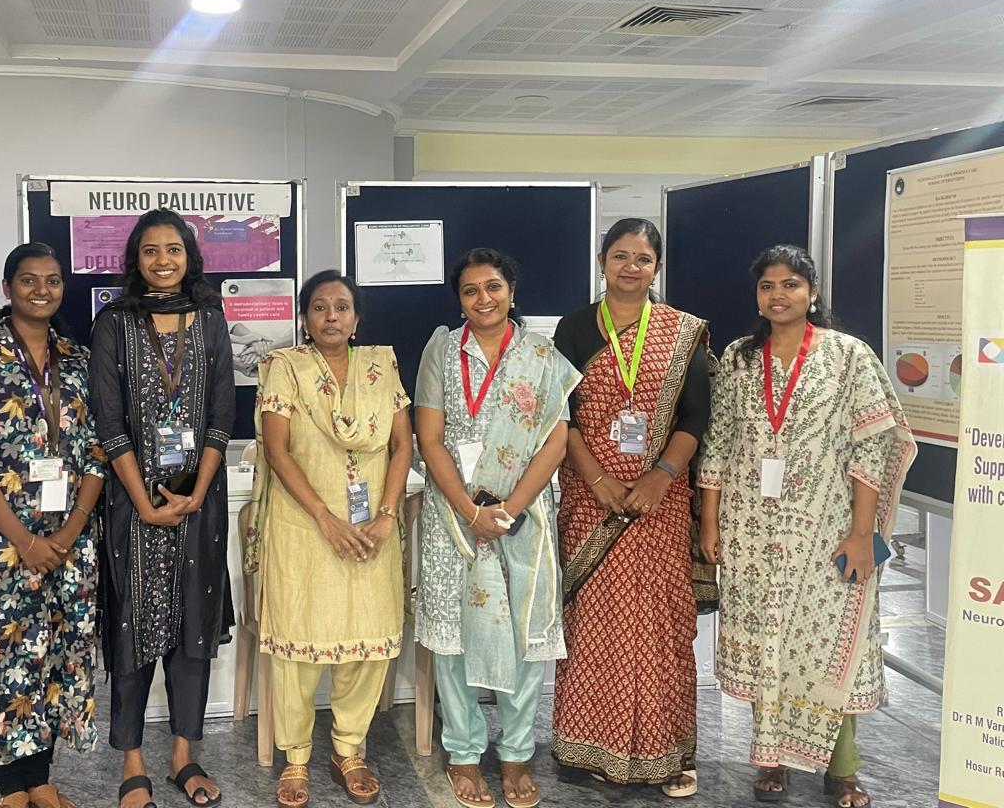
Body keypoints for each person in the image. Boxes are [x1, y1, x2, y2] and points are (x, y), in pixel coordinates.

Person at [697, 245, 914, 808]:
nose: (778, 295)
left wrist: (862, 533)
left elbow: (872, 445)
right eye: (767, 285)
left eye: (791, 284)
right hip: (750, 531)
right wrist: (712, 524)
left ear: (813, 292)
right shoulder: (741, 360)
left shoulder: (848, 357)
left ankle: (842, 769)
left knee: (827, 647)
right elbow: (719, 446)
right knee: (763, 641)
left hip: (827, 530)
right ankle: (771, 760)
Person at [549, 218, 712, 796]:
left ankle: (666, 753)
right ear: (601, 261)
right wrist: (595, 478)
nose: (630, 268)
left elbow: (696, 417)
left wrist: (663, 476)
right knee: (594, 622)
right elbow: (558, 415)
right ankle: (589, 745)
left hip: (659, 504)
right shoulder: (573, 328)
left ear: (657, 267)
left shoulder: (680, 332)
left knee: (660, 626)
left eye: (643, 259)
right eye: (620, 256)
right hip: (591, 499)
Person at [414, 248, 578, 808]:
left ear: (511, 289)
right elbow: (429, 438)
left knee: (526, 637)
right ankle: (463, 754)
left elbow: (556, 440)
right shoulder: (441, 349)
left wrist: (509, 508)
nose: (482, 299)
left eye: (493, 287)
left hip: (523, 521)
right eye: (470, 290)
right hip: (452, 519)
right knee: (455, 641)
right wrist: (470, 509)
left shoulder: (542, 354)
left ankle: (515, 755)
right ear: (458, 298)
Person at [0, 243, 106, 808]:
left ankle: (41, 778)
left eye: (54, 281)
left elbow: (96, 453)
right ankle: (10, 788)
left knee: (54, 655)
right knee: (2, 655)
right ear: (8, 285)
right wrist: (26, 540)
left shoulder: (79, 361)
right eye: (29, 280)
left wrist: (68, 532)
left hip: (71, 540)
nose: (43, 290)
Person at [88, 209, 236, 808]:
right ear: (136, 260)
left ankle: (184, 756)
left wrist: (197, 493)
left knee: (192, 626)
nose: (163, 261)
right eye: (150, 251)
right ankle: (131, 761)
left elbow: (222, 414)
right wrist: (142, 503)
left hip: (199, 501)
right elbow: (108, 418)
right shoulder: (113, 323)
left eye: (173, 249)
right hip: (132, 505)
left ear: (190, 256)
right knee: (131, 624)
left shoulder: (209, 320)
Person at [249, 270, 413, 808]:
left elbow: (402, 445)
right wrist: (325, 518)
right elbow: (279, 451)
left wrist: (386, 515)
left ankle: (349, 748)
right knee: (298, 645)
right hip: (303, 526)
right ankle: (296, 755)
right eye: (319, 307)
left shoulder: (380, 364)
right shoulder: (284, 369)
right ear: (305, 316)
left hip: (372, 528)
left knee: (367, 641)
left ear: (357, 317)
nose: (331, 317)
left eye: (342, 307)